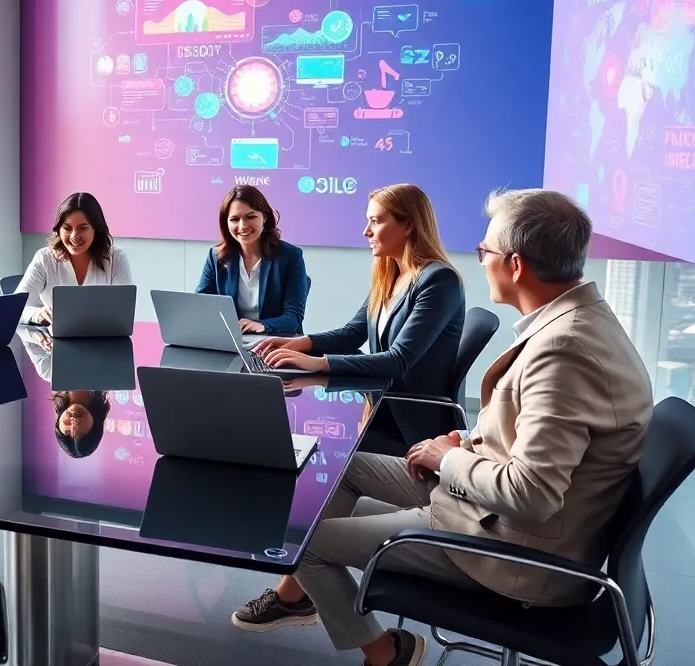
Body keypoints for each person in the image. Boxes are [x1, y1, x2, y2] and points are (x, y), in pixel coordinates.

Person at [232, 189, 652, 666]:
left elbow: (533, 495)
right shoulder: (577, 324)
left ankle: (387, 654)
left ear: (514, 265)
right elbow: (526, 441)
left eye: (485, 252)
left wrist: (447, 458)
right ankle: (306, 596)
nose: (480, 262)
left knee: (302, 545)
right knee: (343, 468)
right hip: (486, 503)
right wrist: (464, 444)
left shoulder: (564, 352)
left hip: (511, 550)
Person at [253, 183, 464, 399]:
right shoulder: (391, 274)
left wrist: (318, 363)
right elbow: (353, 334)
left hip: (411, 407)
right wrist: (300, 343)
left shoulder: (439, 280)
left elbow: (397, 360)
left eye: (376, 221)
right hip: (383, 396)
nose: (366, 231)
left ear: (408, 225)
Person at [197, 185, 309, 335]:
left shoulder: (290, 256)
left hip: (276, 342)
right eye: (234, 219)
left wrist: (262, 325)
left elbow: (293, 317)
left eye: (250, 217)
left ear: (264, 217)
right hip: (231, 341)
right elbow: (200, 306)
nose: (242, 226)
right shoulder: (216, 256)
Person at [16, 192, 132, 324]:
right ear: (59, 229)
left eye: (83, 228)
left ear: (96, 229)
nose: (74, 236)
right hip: (54, 342)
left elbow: (124, 313)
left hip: (102, 340)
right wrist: (38, 314)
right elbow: (14, 309)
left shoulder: (116, 258)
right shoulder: (44, 258)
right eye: (67, 228)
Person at [52, 390, 111, 458]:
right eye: (81, 432)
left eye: (67, 432)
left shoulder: (52, 380)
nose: (74, 423)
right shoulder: (107, 384)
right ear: (95, 426)